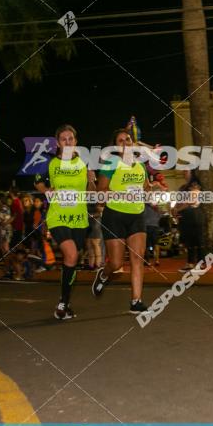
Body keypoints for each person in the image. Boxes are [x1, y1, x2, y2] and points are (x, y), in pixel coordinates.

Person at [34, 124, 96, 320]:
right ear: (58, 143)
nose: (67, 142)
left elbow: (92, 195)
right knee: (70, 254)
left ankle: (65, 301)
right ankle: (62, 303)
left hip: (79, 218)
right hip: (58, 216)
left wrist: (91, 180)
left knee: (73, 258)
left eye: (71, 138)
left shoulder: (84, 163)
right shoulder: (50, 163)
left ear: (75, 141)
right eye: (63, 139)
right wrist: (46, 191)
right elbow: (38, 181)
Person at [90, 128, 150, 314]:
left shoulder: (140, 165)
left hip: (137, 215)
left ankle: (136, 302)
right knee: (116, 263)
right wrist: (123, 195)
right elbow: (101, 191)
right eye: (121, 140)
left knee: (137, 259)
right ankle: (104, 275)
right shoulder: (111, 163)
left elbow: (146, 188)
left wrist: (153, 190)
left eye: (128, 139)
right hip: (115, 215)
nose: (125, 142)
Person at [174, 170, 203, 272]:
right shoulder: (184, 187)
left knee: (197, 239)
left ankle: (200, 262)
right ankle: (190, 263)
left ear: (191, 173)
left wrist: (178, 208)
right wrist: (175, 209)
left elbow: (193, 200)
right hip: (185, 215)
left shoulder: (195, 184)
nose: (183, 173)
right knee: (189, 240)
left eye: (186, 171)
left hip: (193, 214)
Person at [86, 204, 104, 270]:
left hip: (96, 222)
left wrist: (91, 215)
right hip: (87, 222)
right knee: (89, 244)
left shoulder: (97, 196)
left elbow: (101, 211)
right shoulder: (83, 197)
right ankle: (91, 265)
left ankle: (98, 265)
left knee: (95, 243)